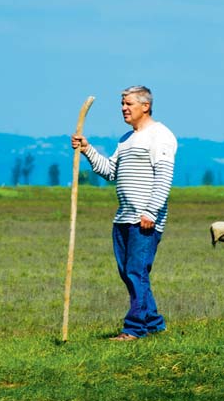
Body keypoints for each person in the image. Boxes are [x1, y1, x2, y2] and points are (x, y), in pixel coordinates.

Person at [71, 85, 178, 341]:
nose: (123, 109)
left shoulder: (160, 136)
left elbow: (164, 178)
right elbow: (110, 171)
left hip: (144, 220)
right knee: (129, 273)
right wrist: (87, 149)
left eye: (128, 104)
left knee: (136, 272)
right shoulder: (126, 139)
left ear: (146, 106)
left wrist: (151, 212)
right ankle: (153, 323)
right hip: (123, 218)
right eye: (122, 104)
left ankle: (133, 329)